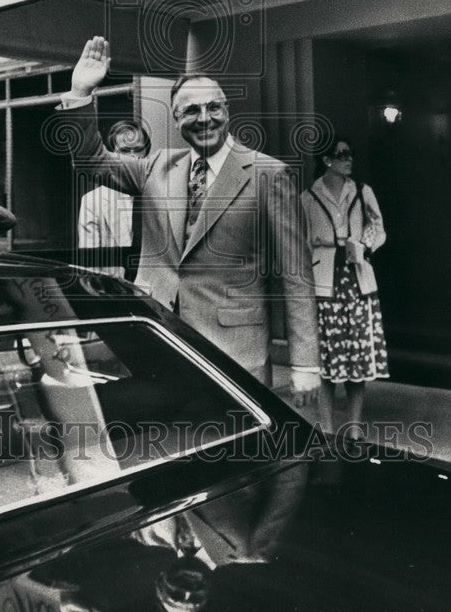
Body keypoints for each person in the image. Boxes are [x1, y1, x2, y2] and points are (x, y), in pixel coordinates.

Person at [57, 36, 320, 406]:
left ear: (228, 111)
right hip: (158, 342)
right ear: (177, 118)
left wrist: (305, 363)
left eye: (214, 107)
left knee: (235, 454)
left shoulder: (268, 174)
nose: (205, 118)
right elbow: (90, 161)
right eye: (192, 110)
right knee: (171, 443)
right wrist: (81, 92)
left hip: (234, 351)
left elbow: (296, 273)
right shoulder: (157, 166)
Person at [301, 136, 388, 438]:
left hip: (357, 281)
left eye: (351, 154)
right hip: (324, 283)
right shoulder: (309, 197)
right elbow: (301, 239)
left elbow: (378, 226)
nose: (349, 159)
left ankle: (354, 428)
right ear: (327, 160)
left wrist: (364, 245)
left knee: (357, 356)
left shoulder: (362, 192)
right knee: (327, 358)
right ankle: (325, 427)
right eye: (342, 155)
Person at [78, 120, 151, 279]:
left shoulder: (163, 192)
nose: (132, 156)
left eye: (138, 150)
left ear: (147, 152)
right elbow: (89, 262)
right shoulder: (92, 201)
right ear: (111, 154)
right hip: (116, 292)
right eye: (125, 151)